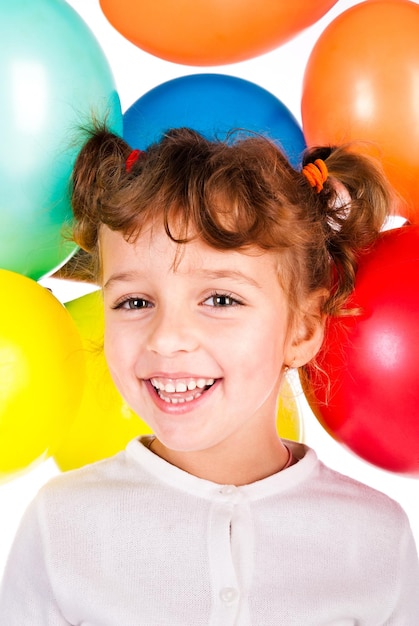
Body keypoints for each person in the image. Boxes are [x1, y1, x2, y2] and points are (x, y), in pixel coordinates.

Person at [1, 125, 418, 625]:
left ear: (303, 329)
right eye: (135, 301)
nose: (166, 337)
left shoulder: (374, 539)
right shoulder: (61, 527)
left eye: (220, 299)